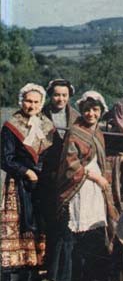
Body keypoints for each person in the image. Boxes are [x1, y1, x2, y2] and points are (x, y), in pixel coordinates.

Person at [47, 91, 123, 281]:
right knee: (76, 232)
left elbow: (100, 160)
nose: (91, 114)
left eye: (95, 110)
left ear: (101, 111)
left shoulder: (97, 132)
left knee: (94, 231)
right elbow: (71, 164)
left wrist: (119, 160)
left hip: (96, 188)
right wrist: (97, 178)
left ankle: (92, 276)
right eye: (87, 110)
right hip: (79, 186)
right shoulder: (75, 131)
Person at [1, 83, 55, 281]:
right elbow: (5, 159)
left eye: (35, 102)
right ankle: (16, 277)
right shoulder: (11, 125)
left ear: (41, 104)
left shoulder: (47, 126)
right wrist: (26, 171)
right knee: (21, 225)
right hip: (19, 183)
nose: (31, 105)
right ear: (21, 101)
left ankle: (34, 276)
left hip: (41, 184)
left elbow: (53, 154)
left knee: (38, 226)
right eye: (28, 101)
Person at [42, 79, 79, 270]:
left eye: (64, 95)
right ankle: (44, 262)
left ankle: (62, 266)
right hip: (46, 172)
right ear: (50, 95)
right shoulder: (42, 115)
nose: (60, 99)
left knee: (65, 219)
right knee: (47, 217)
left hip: (67, 174)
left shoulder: (75, 116)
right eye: (57, 95)